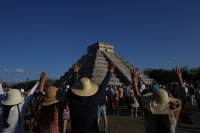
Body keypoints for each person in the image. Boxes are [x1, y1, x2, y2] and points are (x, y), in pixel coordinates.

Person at [66, 61, 115, 133]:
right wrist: (110, 72)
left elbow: (72, 88)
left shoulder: (73, 100)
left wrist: (75, 73)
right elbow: (102, 87)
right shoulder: (93, 100)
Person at [130, 67, 183, 133]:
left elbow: (137, 95)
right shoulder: (175, 112)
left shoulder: (148, 111)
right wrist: (179, 78)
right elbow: (182, 95)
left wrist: (134, 79)